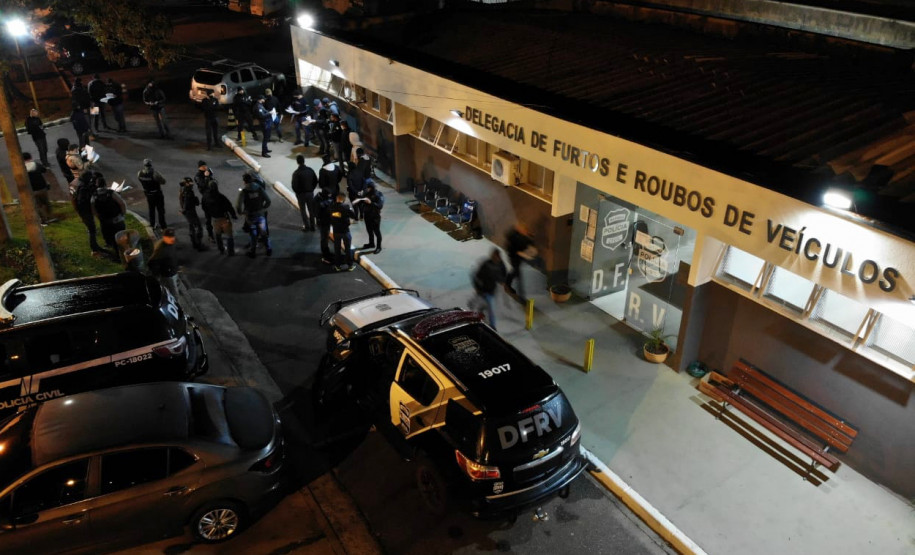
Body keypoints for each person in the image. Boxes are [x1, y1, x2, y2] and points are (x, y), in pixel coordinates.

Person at [71, 170, 107, 256]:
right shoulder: (83, 188)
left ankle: (95, 246)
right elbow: (84, 200)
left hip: (81, 210)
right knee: (92, 230)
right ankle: (94, 249)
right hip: (85, 211)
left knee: (91, 228)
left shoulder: (78, 184)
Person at [236, 173, 272, 257]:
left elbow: (238, 205)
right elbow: (268, 201)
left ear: (244, 181)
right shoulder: (259, 188)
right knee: (263, 232)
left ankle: (253, 251)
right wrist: (263, 208)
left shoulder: (244, 191)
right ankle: (268, 249)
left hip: (250, 216)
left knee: (253, 233)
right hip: (260, 214)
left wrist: (241, 212)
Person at [91, 174, 127, 254]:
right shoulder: (111, 193)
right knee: (121, 236)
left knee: (110, 237)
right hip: (117, 219)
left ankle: (115, 251)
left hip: (104, 221)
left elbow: (93, 208)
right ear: (105, 184)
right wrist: (123, 214)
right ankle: (123, 252)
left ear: (96, 185)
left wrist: (99, 217)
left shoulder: (94, 195)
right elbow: (121, 203)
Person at [471, 249, 507, 329]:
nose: (496, 259)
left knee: (487, 304)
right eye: (494, 256)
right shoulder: (487, 265)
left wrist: (502, 281)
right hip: (484, 290)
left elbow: (503, 274)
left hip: (491, 290)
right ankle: (492, 326)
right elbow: (477, 276)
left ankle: (481, 311)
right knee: (490, 308)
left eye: (497, 257)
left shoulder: (501, 264)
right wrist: (477, 288)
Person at [202, 180, 238, 255]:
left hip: (215, 219)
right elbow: (229, 206)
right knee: (229, 235)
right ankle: (230, 251)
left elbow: (204, 207)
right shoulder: (221, 197)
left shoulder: (205, 197)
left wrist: (209, 214)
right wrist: (233, 215)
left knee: (218, 235)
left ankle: (221, 249)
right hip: (224, 218)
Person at [504, 223, 537, 303]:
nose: (525, 231)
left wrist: (529, 236)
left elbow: (526, 244)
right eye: (524, 230)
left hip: (517, 257)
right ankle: (521, 298)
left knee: (514, 272)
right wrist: (529, 238)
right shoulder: (516, 238)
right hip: (514, 258)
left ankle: (507, 283)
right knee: (519, 277)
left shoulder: (519, 236)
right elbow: (523, 245)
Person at [23, 152, 54, 225]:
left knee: (38, 205)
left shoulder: (22, 168)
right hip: (42, 187)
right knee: (46, 203)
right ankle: (50, 217)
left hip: (32, 190)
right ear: (30, 158)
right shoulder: (36, 165)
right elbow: (44, 170)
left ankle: (43, 221)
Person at [148, 228, 180, 299]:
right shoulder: (161, 250)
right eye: (169, 237)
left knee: (175, 289)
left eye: (172, 236)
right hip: (168, 275)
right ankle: (176, 306)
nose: (171, 239)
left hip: (173, 271)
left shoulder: (172, 244)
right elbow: (152, 262)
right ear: (164, 237)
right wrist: (157, 275)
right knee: (174, 294)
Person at [329, 192, 357, 271]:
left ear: (337, 198)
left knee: (337, 248)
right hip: (345, 231)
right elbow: (354, 216)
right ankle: (350, 265)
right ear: (344, 199)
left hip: (336, 231)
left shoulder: (331, 206)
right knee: (347, 248)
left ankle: (337, 266)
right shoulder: (346, 207)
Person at [137, 158, 167, 229]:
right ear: (150, 164)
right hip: (157, 194)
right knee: (160, 210)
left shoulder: (139, 173)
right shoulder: (154, 173)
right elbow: (163, 181)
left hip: (148, 194)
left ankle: (152, 224)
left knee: (151, 209)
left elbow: (141, 181)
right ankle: (163, 225)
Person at [291, 154, 318, 231]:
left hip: (301, 195)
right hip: (310, 193)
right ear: (304, 161)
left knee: (303, 210)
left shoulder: (296, 173)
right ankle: (313, 226)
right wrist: (311, 189)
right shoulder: (310, 170)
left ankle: (307, 226)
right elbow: (315, 181)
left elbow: (294, 185)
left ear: (297, 162)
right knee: (311, 210)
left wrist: (298, 193)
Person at [178, 178, 205, 251]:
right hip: (190, 211)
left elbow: (182, 201)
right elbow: (187, 203)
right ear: (186, 183)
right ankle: (198, 244)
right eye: (190, 183)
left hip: (187, 211)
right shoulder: (189, 192)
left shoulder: (183, 190)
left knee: (191, 226)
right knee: (198, 227)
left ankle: (194, 243)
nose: (192, 184)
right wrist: (195, 201)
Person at [359, 179, 384, 253]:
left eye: (368, 188)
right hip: (367, 215)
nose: (367, 189)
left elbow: (380, 206)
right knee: (369, 230)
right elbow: (362, 201)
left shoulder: (378, 194)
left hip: (375, 216)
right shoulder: (366, 193)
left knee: (377, 232)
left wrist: (371, 203)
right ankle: (371, 243)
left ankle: (379, 247)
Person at [194, 161, 216, 242]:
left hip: (214, 196)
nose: (205, 167)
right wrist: (206, 177)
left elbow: (213, 182)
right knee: (208, 218)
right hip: (206, 198)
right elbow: (202, 185)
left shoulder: (208, 171)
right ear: (199, 167)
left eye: (205, 165)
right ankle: (210, 235)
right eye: (203, 166)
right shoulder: (198, 176)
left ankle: (220, 229)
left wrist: (211, 176)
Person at [314, 187, 335, 264]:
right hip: (323, 222)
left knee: (326, 238)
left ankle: (327, 252)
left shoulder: (324, 199)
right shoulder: (318, 200)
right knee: (324, 238)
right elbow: (316, 212)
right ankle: (325, 255)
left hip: (327, 221)